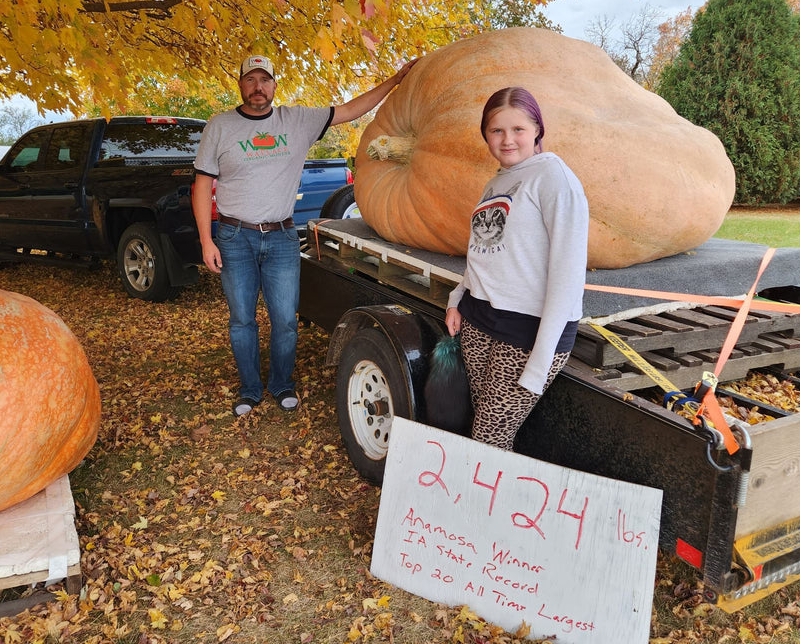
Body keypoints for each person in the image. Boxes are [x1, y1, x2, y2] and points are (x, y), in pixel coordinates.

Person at [194, 54, 416, 417]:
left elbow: (349, 110)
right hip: (235, 236)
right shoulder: (220, 126)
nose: (258, 87)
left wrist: (395, 80)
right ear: (240, 85)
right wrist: (207, 239)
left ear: (274, 86)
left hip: (281, 236)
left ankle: (282, 383)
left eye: (265, 80)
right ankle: (250, 388)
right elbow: (202, 186)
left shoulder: (296, 120)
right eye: (250, 80)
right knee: (242, 319)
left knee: (284, 318)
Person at [445, 87, 589, 450]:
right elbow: (484, 250)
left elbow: (568, 274)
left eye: (518, 129)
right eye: (496, 131)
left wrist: (541, 360)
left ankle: (484, 505)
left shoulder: (555, 179)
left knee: (488, 439)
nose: (507, 140)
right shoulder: (496, 181)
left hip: (527, 330)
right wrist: (456, 298)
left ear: (537, 130)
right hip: (478, 318)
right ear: (486, 135)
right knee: (486, 425)